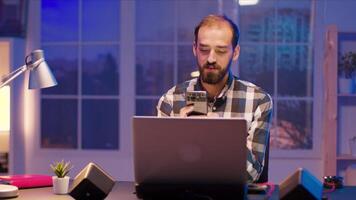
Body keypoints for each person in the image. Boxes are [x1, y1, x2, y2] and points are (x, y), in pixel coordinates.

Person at [156, 14, 273, 183]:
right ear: (194, 49)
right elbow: (160, 174)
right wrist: (179, 137)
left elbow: (251, 176)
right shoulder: (170, 100)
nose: (211, 58)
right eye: (204, 50)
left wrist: (222, 135)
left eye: (220, 51)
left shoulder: (259, 101)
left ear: (235, 52)